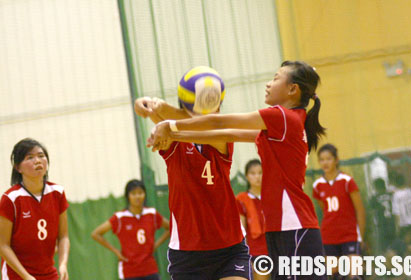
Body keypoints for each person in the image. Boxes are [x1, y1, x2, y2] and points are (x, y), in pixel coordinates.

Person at [149, 60, 327, 279]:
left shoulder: (282, 116)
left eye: (276, 78)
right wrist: (172, 134)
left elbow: (221, 124)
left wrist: (170, 125)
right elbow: (228, 134)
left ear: (292, 89)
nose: (268, 84)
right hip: (281, 228)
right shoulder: (279, 126)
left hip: (295, 226)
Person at [134, 77, 251, 278]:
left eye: (214, 107)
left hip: (229, 246)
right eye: (205, 106)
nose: (211, 113)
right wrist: (145, 105)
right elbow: (155, 115)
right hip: (188, 251)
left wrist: (163, 112)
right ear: (188, 107)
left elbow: (197, 126)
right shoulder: (173, 140)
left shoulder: (221, 135)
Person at [0, 138, 70, 280]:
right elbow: (3, 245)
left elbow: (63, 236)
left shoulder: (57, 192)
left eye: (41, 156)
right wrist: (26, 276)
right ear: (18, 167)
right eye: (30, 158)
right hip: (17, 275)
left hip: (49, 273)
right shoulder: (11, 199)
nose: (37, 161)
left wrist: (62, 264)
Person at [91, 179, 170, 280]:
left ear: (145, 194)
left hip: (150, 268)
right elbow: (96, 234)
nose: (137, 197)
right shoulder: (120, 217)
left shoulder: (152, 214)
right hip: (129, 271)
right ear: (128, 196)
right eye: (133, 193)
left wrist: (156, 244)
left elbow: (170, 228)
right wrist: (116, 251)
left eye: (140, 193)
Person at [312, 144, 365, 280]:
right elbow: (325, 210)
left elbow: (359, 210)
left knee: (355, 274)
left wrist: (361, 236)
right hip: (329, 236)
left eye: (328, 159)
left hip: (350, 234)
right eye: (322, 160)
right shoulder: (317, 185)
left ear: (336, 160)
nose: (325, 163)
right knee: (336, 275)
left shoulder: (347, 181)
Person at [236, 159, 270, 280]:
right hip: (255, 251)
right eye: (253, 173)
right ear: (246, 176)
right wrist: (245, 256)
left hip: (275, 248)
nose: (257, 177)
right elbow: (242, 231)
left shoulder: (272, 196)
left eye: (260, 173)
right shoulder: (242, 199)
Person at [369, 178, 396, 254]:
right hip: (392, 222)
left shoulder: (373, 198)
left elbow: (372, 209)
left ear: (376, 187)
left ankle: (387, 262)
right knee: (394, 244)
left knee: (384, 247)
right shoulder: (391, 195)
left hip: (382, 224)